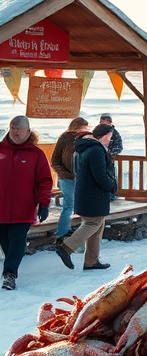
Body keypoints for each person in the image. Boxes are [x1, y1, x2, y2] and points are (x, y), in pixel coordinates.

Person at [55, 123, 117, 272]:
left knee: (98, 224)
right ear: (106, 135)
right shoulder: (95, 149)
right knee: (93, 222)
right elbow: (100, 175)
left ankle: (91, 261)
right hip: (93, 194)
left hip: (86, 192)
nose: (111, 140)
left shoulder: (85, 148)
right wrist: (111, 185)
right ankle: (66, 247)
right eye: (110, 136)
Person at [0, 116, 52, 290]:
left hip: (24, 208)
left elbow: (44, 181)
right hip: (0, 208)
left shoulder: (36, 154)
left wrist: (44, 204)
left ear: (28, 131)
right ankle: (12, 265)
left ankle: (9, 274)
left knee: (17, 240)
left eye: (20, 129)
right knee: (5, 241)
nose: (16, 131)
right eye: (13, 128)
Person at [51, 117, 90, 238]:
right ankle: (62, 232)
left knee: (83, 204)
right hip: (67, 177)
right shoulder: (65, 138)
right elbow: (54, 160)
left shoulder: (87, 138)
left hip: (82, 178)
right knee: (69, 204)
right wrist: (63, 173)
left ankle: (81, 230)